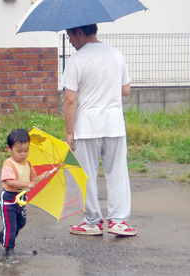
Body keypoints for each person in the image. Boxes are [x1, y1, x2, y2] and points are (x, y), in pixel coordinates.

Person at [62, 24, 137, 237]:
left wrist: (69, 132)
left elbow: (69, 99)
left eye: (70, 35)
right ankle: (119, 221)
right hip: (114, 123)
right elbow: (126, 90)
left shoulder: (77, 60)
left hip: (87, 126)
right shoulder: (116, 54)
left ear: (79, 32)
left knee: (85, 174)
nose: (70, 41)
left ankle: (92, 221)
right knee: (118, 172)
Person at [0, 129, 51, 264]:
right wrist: (27, 184)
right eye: (19, 151)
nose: (23, 154)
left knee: (21, 223)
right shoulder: (9, 164)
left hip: (22, 198)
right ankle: (9, 251)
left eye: (26, 151)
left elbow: (31, 180)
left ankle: (2, 236)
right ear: (9, 149)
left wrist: (42, 177)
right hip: (9, 198)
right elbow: (9, 181)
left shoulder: (28, 164)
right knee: (11, 227)